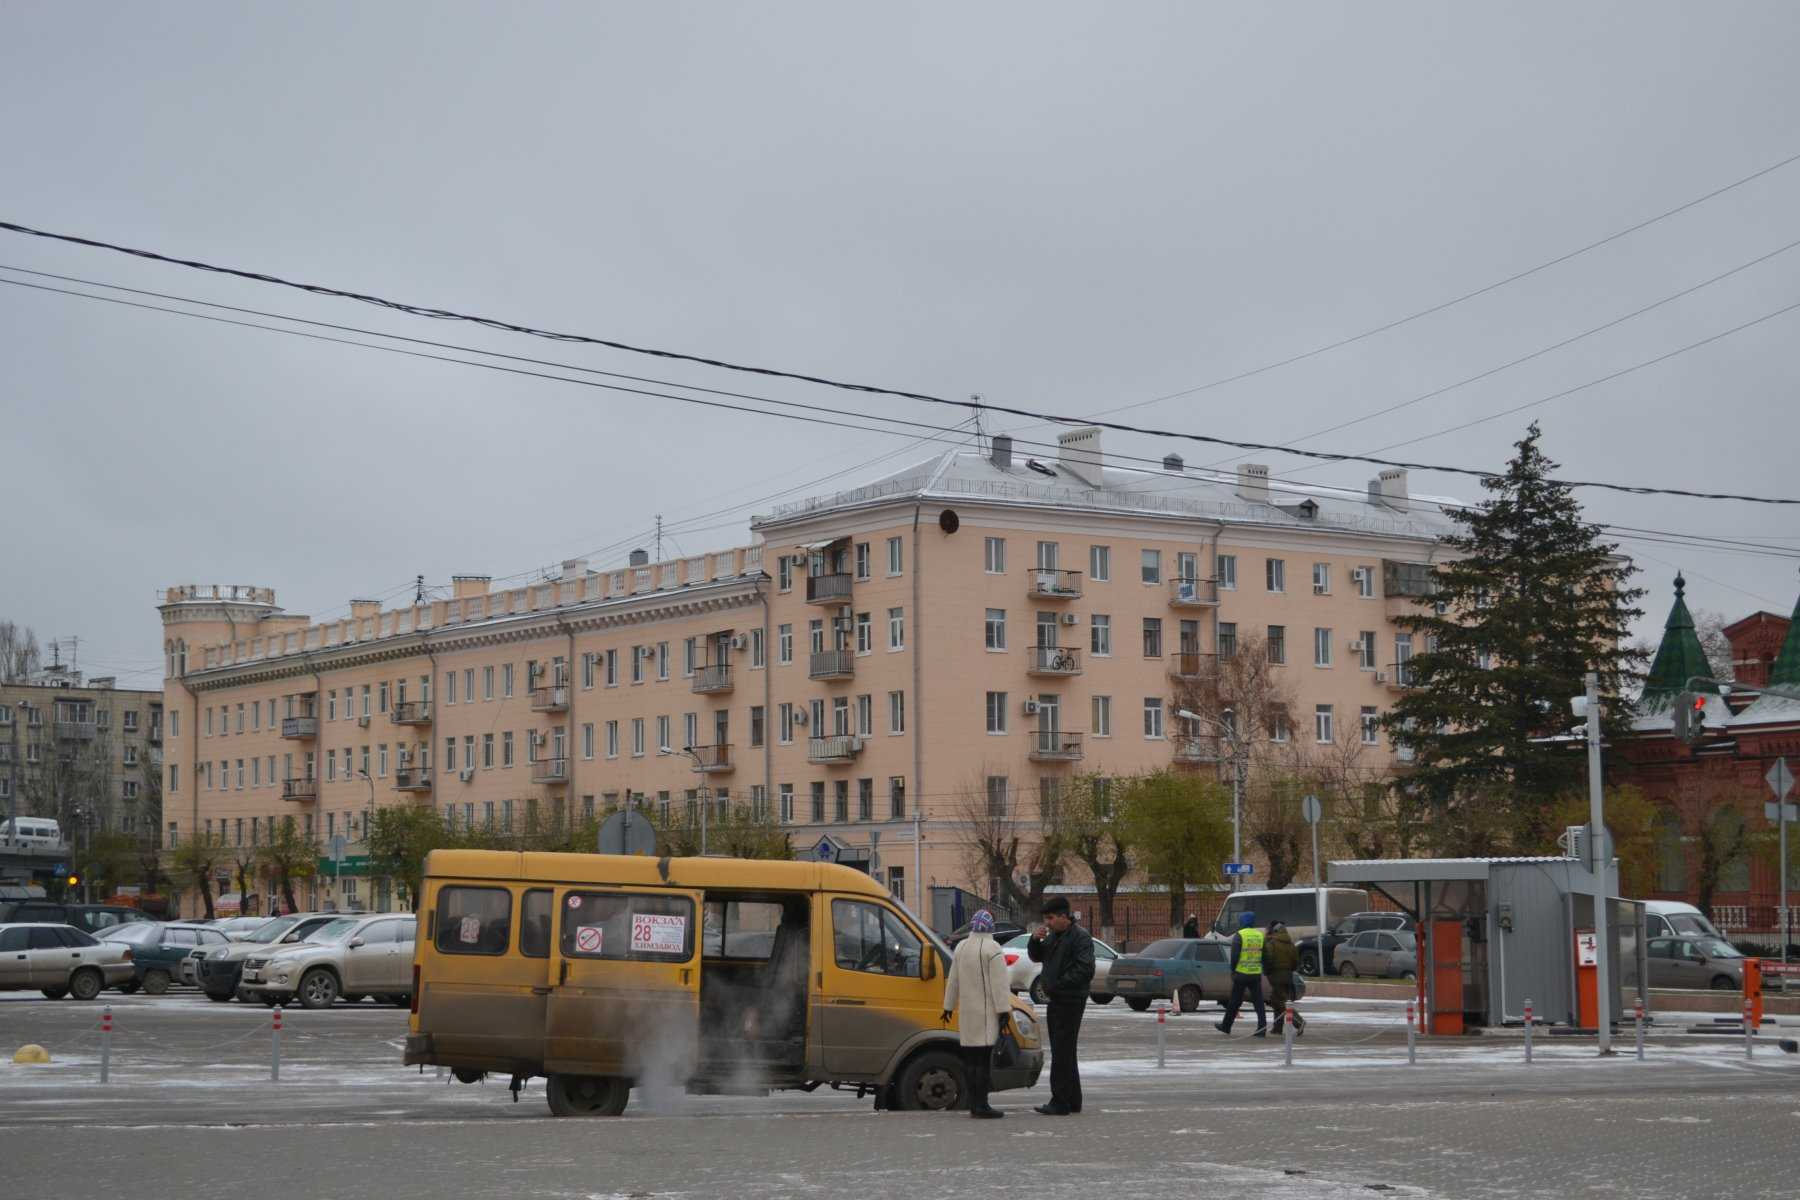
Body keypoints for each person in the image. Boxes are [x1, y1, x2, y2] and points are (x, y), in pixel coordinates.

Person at [1026, 895, 1094, 1115]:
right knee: (1065, 1050)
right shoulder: (1055, 936)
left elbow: (1085, 969)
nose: (1047, 922)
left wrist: (1057, 985)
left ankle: (1060, 1101)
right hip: (1058, 998)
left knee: (1061, 1051)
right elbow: (1037, 957)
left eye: (1051, 918)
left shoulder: (1080, 937)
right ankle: (1073, 1100)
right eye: (1046, 918)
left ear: (1065, 917)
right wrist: (1034, 940)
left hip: (1071, 999)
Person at [940, 909, 1011, 1119]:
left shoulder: (961, 947)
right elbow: (999, 985)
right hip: (987, 1014)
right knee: (983, 1061)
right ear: (990, 928)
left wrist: (948, 1007)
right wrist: (1004, 1010)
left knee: (970, 1061)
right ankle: (982, 1105)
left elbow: (953, 980)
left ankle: (974, 1103)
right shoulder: (993, 948)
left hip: (967, 1014)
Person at [1215, 910, 1267, 1037]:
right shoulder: (1260, 935)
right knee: (1258, 1002)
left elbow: (1235, 956)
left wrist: (1233, 970)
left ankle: (1226, 1026)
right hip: (1255, 974)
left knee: (1234, 1001)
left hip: (1241, 973)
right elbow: (1264, 955)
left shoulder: (1240, 935)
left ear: (1242, 921)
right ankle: (1262, 1028)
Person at [1262, 919, 1305, 1036]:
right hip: (1288, 975)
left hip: (1276, 975)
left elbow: (1268, 959)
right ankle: (1277, 1028)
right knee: (1278, 999)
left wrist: (1267, 971)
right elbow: (1295, 961)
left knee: (1279, 1001)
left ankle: (1298, 1021)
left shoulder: (1271, 942)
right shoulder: (1290, 944)